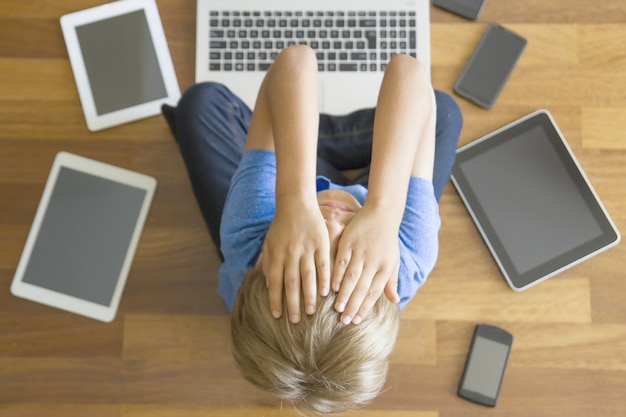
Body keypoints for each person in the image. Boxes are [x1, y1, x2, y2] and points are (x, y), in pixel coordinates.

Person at [162, 45, 462, 414]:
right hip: (374, 191)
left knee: (200, 103)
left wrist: (293, 199)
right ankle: (311, 140)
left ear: (262, 269)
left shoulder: (247, 234)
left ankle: (302, 138)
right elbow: (410, 74)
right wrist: (384, 211)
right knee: (444, 112)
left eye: (320, 255)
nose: (332, 223)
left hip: (286, 185)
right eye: (347, 259)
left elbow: (294, 61)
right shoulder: (409, 254)